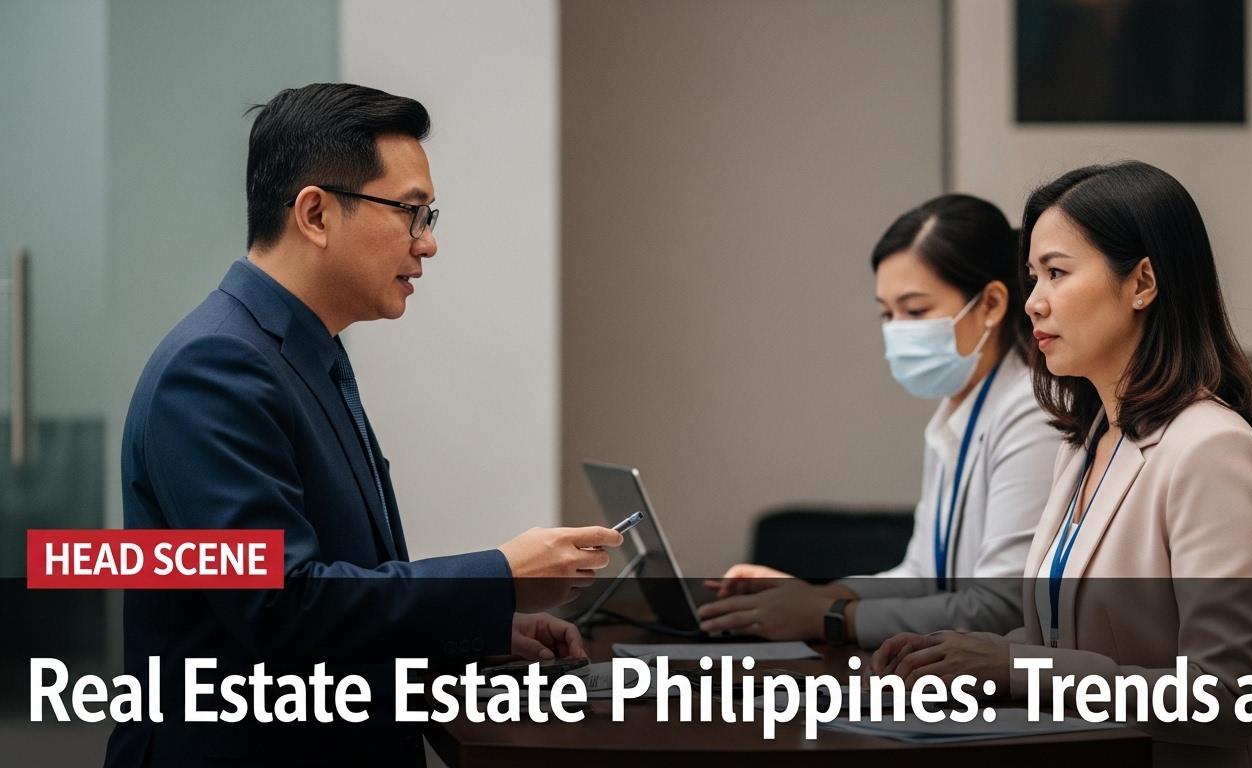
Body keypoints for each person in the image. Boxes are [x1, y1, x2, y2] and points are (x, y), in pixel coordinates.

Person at [104, 83, 622, 768]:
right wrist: (497, 577)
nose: (428, 243)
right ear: (315, 213)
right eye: (410, 213)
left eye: (429, 215)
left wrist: (478, 630)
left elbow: (345, 587)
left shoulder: (303, 349)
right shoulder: (215, 367)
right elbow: (283, 610)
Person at [872, 161, 1252, 767]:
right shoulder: (1088, 440)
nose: (1034, 303)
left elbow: (1225, 698)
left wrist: (1016, 667)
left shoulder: (1212, 449)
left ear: (1142, 282)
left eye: (1056, 274)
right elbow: (1068, 640)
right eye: (1032, 277)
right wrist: (960, 655)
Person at [699, 194, 1061, 648]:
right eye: (887, 314)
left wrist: (830, 616)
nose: (897, 331)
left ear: (990, 304)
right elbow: (922, 575)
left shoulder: (1031, 410)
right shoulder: (959, 410)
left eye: (914, 311)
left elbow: (999, 607)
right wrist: (816, 596)